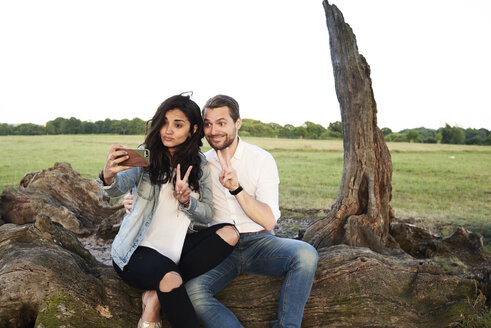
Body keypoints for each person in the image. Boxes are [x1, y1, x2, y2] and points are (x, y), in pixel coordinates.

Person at [98, 93, 239, 328]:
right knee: (170, 278)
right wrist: (108, 175)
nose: (168, 130)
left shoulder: (200, 165)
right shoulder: (145, 154)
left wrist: (186, 201)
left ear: (193, 129)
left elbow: (205, 214)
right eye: (163, 122)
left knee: (230, 233)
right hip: (137, 251)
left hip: (175, 251)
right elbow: (116, 188)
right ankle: (155, 302)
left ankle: (154, 295)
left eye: (177, 124)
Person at [186, 94, 319, 327]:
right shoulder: (199, 164)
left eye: (221, 122)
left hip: (260, 244)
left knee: (306, 255)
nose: (213, 130)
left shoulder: (261, 159)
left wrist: (237, 188)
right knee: (192, 292)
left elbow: (268, 221)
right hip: (219, 247)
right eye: (208, 124)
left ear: (238, 123)